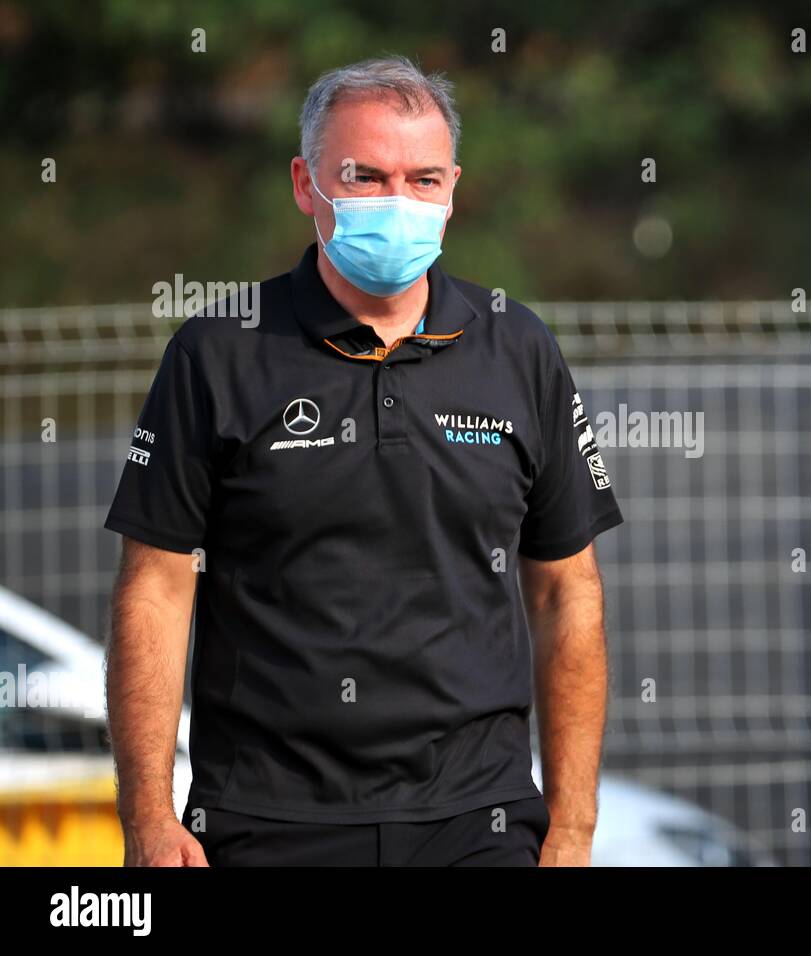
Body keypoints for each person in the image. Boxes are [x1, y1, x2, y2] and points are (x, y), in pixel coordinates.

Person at [104, 55, 623, 866]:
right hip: (264, 822)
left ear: (453, 189)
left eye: (422, 179)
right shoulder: (218, 353)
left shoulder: (518, 348)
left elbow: (567, 592)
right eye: (366, 176)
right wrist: (145, 815)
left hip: (477, 822)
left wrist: (573, 827)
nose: (399, 202)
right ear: (307, 184)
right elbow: (155, 590)